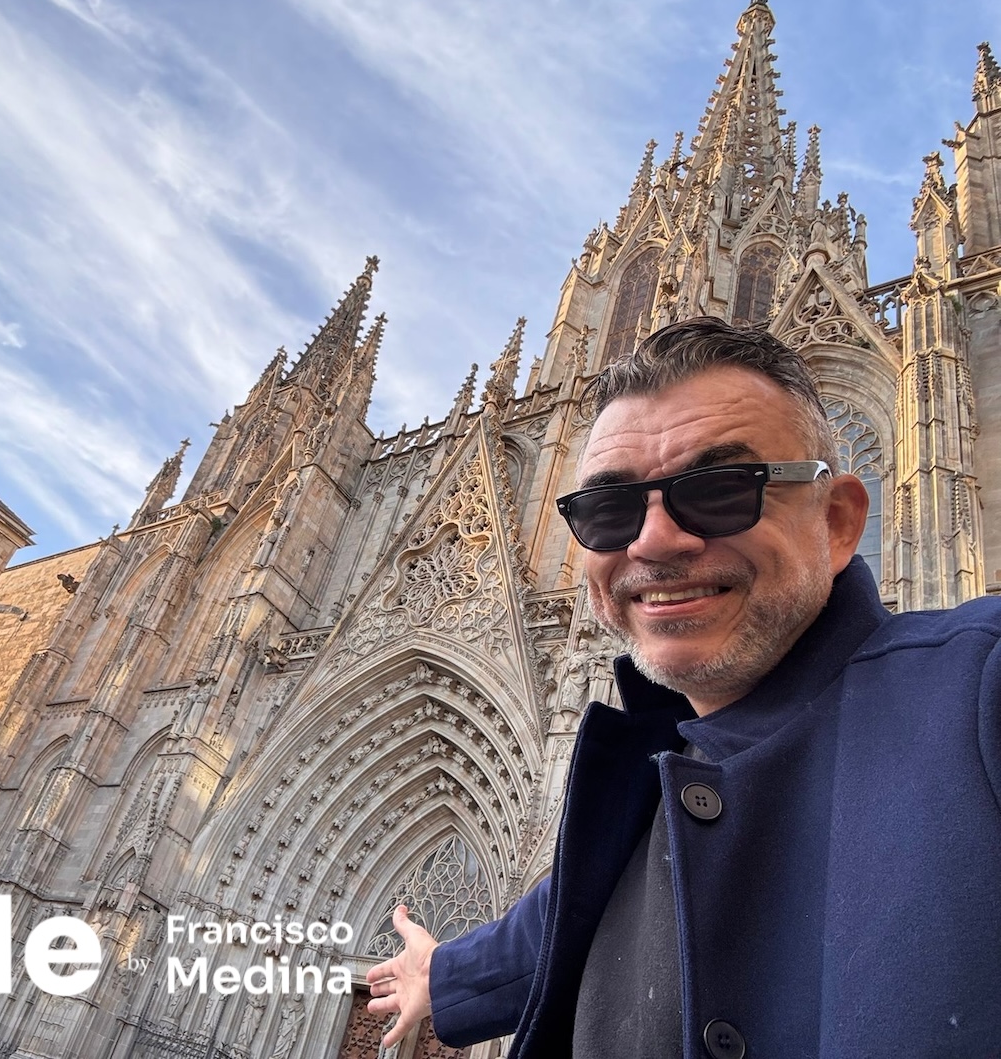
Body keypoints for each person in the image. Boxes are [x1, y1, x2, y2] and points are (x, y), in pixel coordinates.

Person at [367, 316, 1001, 1057]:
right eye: (609, 510)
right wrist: (440, 973)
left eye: (722, 489)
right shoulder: (645, 792)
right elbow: (562, 912)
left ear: (836, 522)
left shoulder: (975, 684)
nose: (655, 540)